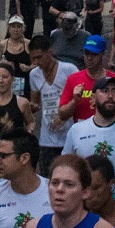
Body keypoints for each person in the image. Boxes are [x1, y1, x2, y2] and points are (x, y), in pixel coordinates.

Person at [26, 37, 77, 176]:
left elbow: (81, 98)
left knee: (70, 175)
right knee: (47, 177)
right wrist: (27, 106)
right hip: (47, 136)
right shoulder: (34, 74)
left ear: (49, 52)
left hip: (69, 133)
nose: (36, 62)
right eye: (33, 58)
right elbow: (35, 102)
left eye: (39, 57)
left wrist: (64, 116)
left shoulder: (69, 69)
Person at [0, 62, 31, 134]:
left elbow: (30, 122)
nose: (1, 81)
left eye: (5, 77)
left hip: (15, 140)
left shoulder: (22, 102)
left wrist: (28, 134)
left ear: (12, 79)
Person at [0, 16, 33, 91]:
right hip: (8, 81)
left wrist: (28, 67)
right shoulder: (3, 44)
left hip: (25, 80)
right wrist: (2, 63)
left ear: (23, 29)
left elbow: (37, 63)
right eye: (13, 26)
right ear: (9, 29)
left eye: (19, 27)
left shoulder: (28, 44)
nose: (16, 30)